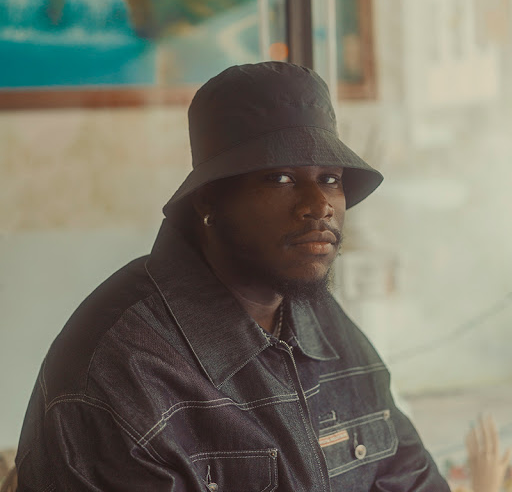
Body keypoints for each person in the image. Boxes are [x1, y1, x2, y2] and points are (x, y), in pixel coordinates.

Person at [15, 61, 450, 491]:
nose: (319, 205)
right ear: (208, 201)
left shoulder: (319, 317)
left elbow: (414, 478)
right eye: (280, 177)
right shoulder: (124, 367)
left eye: (330, 178)